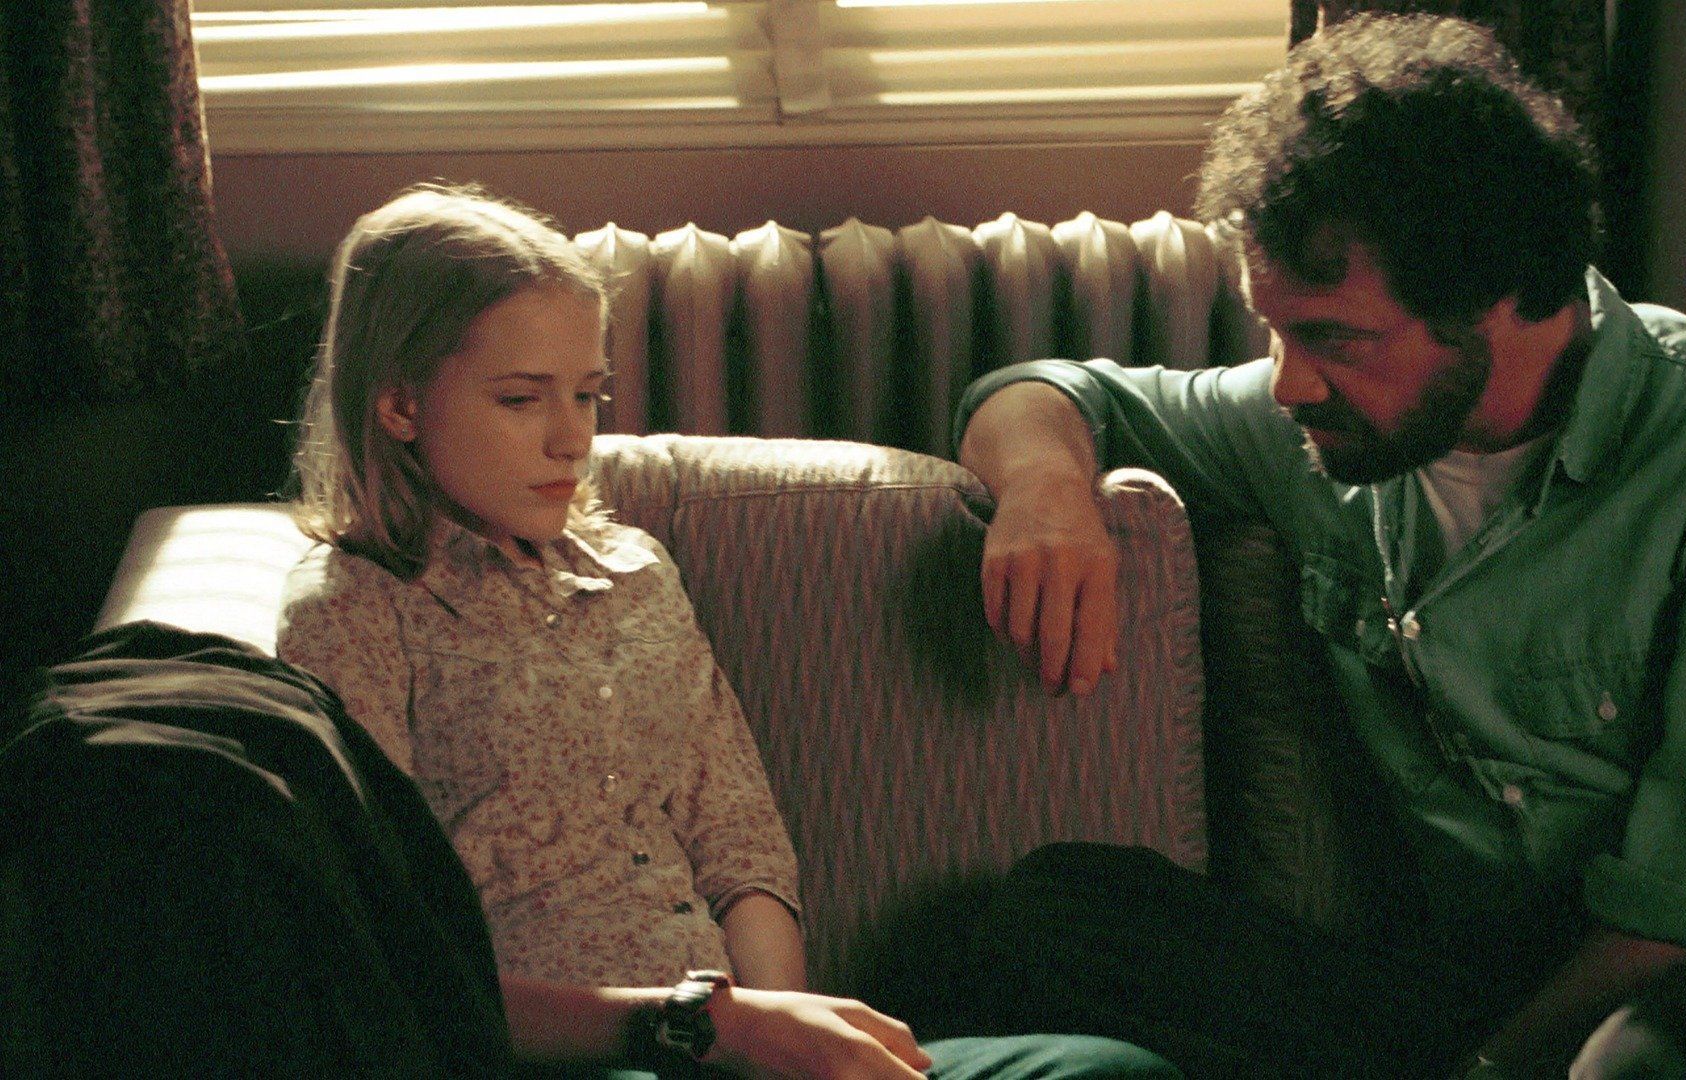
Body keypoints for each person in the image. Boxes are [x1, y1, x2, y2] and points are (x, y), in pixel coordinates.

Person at [954, 14, 1686, 1080]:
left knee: (1628, 1066)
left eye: (1332, 338)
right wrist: (1046, 492)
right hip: (1479, 972)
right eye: (1275, 329)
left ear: (1492, 297)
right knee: (1056, 916)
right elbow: (1044, 393)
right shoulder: (1330, 428)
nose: (1288, 381)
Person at [276, 183, 1177, 1080]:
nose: (571, 440)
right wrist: (709, 1027)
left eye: (587, 395)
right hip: (577, 1060)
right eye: (521, 400)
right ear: (400, 406)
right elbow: (393, 968)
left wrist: (785, 1036)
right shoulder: (350, 613)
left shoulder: (634, 571)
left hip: (738, 1053)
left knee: (1111, 1073)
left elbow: (739, 844)